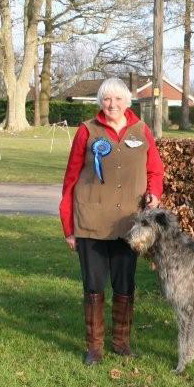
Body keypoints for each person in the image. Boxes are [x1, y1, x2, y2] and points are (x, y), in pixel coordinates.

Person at [59, 77, 164, 365]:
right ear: (100, 102)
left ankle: (121, 342)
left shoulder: (142, 131)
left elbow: (155, 170)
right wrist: (69, 227)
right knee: (93, 286)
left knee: (125, 285)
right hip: (90, 221)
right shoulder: (86, 131)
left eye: (118, 99)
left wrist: (154, 194)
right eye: (107, 99)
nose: (112, 104)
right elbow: (70, 179)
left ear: (127, 102)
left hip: (128, 225)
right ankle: (94, 347)